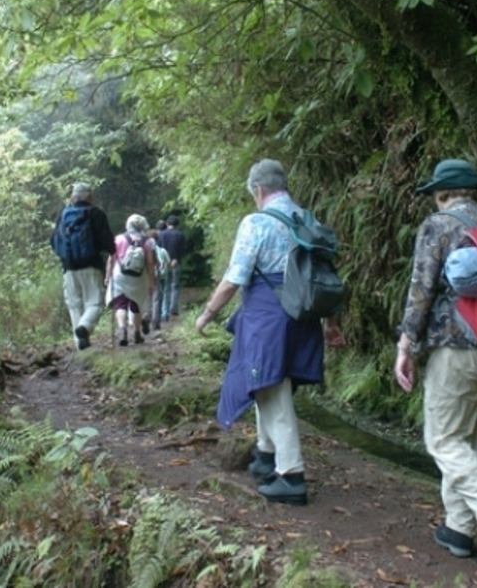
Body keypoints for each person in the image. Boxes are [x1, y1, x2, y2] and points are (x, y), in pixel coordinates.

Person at [393, 159, 477, 566]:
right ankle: (459, 528)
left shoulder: (439, 225)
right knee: (471, 441)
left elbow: (421, 289)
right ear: (474, 191)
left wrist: (406, 345)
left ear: (442, 195)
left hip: (457, 348)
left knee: (444, 440)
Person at [195, 159, 347, 505]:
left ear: (258, 190)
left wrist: (207, 314)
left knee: (273, 391)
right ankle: (265, 455)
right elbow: (324, 278)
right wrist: (332, 326)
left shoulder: (257, 223)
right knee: (269, 386)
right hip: (303, 317)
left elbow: (236, 277)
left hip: (268, 319)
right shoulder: (308, 219)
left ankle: (292, 475)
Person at [51, 183, 116, 350]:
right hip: (92, 266)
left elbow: (53, 241)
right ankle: (85, 327)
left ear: (73, 197)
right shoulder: (97, 214)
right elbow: (109, 243)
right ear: (89, 196)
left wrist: (65, 256)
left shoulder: (64, 215)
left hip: (69, 267)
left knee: (74, 305)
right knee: (95, 303)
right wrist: (110, 252)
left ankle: (80, 346)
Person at [106, 214, 157, 346]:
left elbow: (111, 259)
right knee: (137, 305)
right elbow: (150, 263)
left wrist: (108, 276)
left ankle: (122, 331)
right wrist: (152, 281)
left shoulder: (119, 239)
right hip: (139, 278)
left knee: (120, 304)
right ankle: (136, 333)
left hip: (120, 275)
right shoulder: (147, 241)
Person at [160, 214, 187, 320]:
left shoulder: (161, 234)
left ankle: (164, 311)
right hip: (176, 262)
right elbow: (182, 250)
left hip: (164, 264)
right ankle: (173, 308)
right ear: (177, 224)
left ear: (167, 224)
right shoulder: (180, 235)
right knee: (175, 286)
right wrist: (176, 259)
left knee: (165, 287)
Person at [147, 228, 171, 331]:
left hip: (145, 277)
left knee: (146, 299)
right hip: (158, 277)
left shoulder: (144, 248)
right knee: (157, 300)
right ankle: (156, 323)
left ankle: (145, 317)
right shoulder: (162, 250)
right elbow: (167, 263)